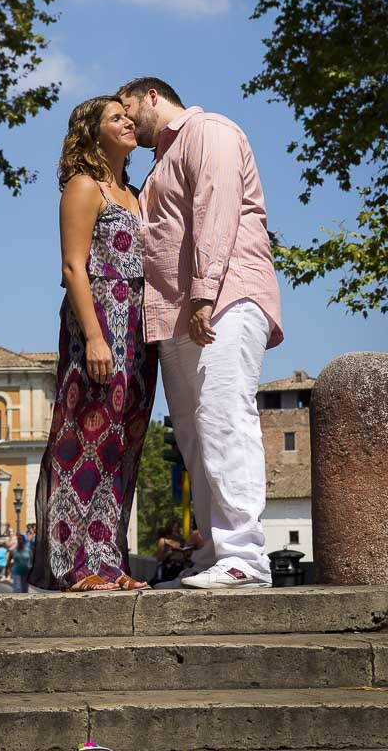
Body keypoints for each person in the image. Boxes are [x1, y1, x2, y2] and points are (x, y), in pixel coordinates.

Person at [118, 77, 283, 590]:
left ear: (150, 96)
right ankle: (216, 552)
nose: (124, 123)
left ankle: (246, 556)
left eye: (126, 110)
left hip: (223, 298)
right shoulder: (157, 164)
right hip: (178, 314)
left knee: (223, 415)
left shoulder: (208, 129)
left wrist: (206, 292)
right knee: (193, 435)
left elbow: (217, 206)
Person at [29, 96, 158, 592]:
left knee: (123, 445)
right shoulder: (84, 187)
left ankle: (108, 560)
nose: (128, 120)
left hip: (138, 331)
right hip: (99, 323)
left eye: (129, 114)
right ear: (91, 132)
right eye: (115, 117)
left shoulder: (137, 193)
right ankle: (74, 565)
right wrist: (95, 337)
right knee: (84, 441)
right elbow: (71, 268)